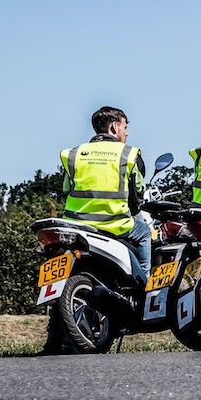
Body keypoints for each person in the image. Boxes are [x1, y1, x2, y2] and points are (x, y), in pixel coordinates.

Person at [60, 105, 150, 287]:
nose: (126, 134)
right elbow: (137, 195)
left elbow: (65, 190)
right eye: (125, 128)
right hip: (114, 223)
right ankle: (144, 286)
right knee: (145, 233)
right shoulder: (128, 154)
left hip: (75, 225)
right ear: (114, 127)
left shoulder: (73, 154)